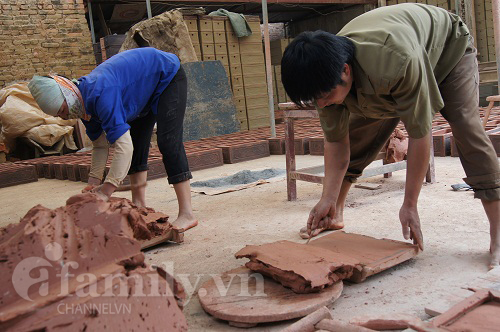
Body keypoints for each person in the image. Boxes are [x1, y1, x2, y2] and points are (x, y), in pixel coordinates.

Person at [281, 4, 500, 268]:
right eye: (316, 100)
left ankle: (498, 230)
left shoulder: (395, 61)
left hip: (446, 52)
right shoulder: (324, 76)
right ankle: (334, 213)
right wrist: (326, 197)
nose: (323, 104)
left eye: (326, 97)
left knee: (465, 126)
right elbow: (337, 142)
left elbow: (420, 134)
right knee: (359, 130)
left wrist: (410, 204)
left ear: (345, 71)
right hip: (394, 59)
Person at [28, 47, 198, 231]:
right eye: (59, 115)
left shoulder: (100, 93)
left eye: (62, 110)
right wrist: (93, 184)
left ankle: (187, 214)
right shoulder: (84, 107)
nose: (64, 116)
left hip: (166, 76)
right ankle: (139, 204)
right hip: (141, 91)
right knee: (136, 138)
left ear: (68, 93)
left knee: (168, 141)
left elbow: (123, 148)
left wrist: (106, 190)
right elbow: (100, 146)